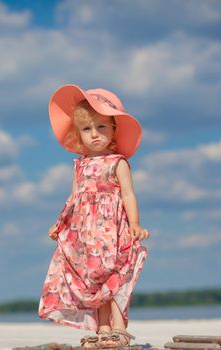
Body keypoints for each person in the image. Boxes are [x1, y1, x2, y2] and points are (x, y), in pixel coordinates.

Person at [38, 84, 149, 349]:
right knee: (95, 281)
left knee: (116, 277)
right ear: (79, 134)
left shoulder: (117, 162)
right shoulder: (80, 165)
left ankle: (119, 329)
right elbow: (73, 199)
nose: (95, 135)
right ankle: (102, 330)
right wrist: (61, 222)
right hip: (87, 236)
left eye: (101, 127)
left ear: (113, 130)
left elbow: (129, 195)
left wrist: (134, 224)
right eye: (87, 129)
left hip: (113, 230)